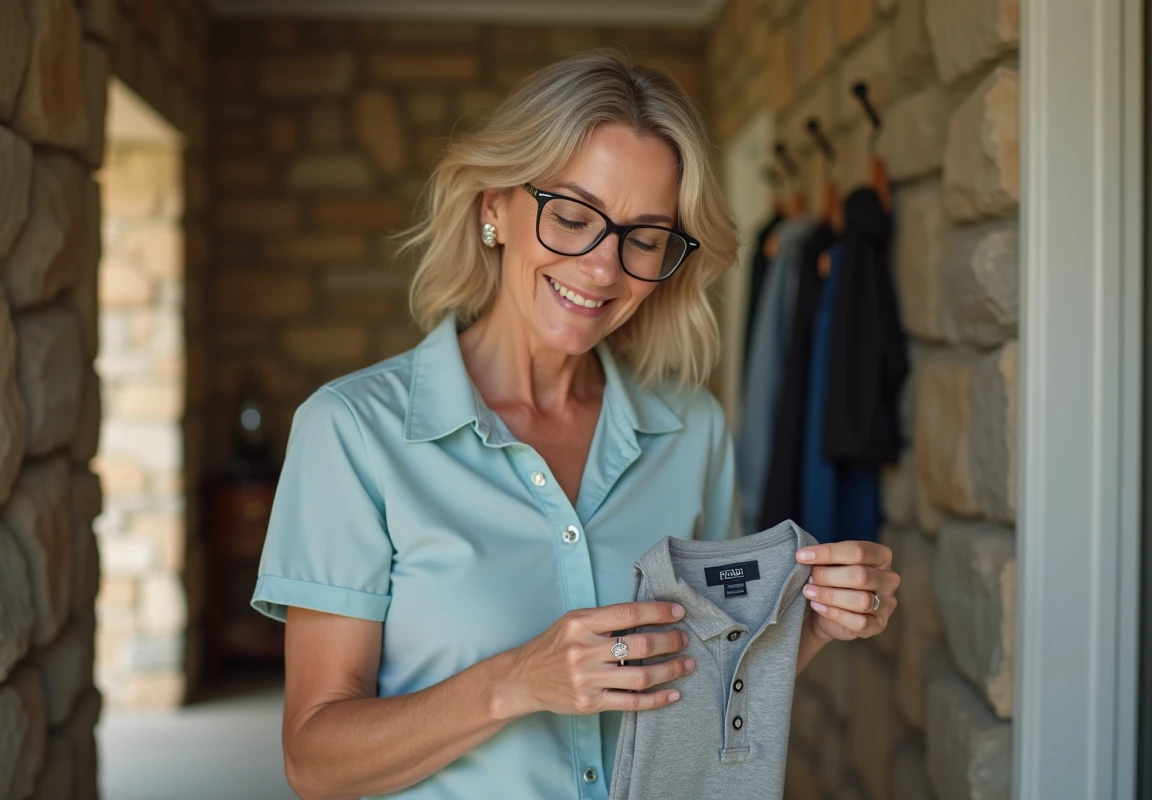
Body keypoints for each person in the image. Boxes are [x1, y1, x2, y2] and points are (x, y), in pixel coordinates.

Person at [250, 49, 900, 800]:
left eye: (645, 236)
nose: (602, 268)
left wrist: (812, 626)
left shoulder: (693, 431)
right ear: (494, 207)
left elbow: (708, 685)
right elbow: (314, 760)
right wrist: (516, 683)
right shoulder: (352, 432)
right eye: (572, 215)